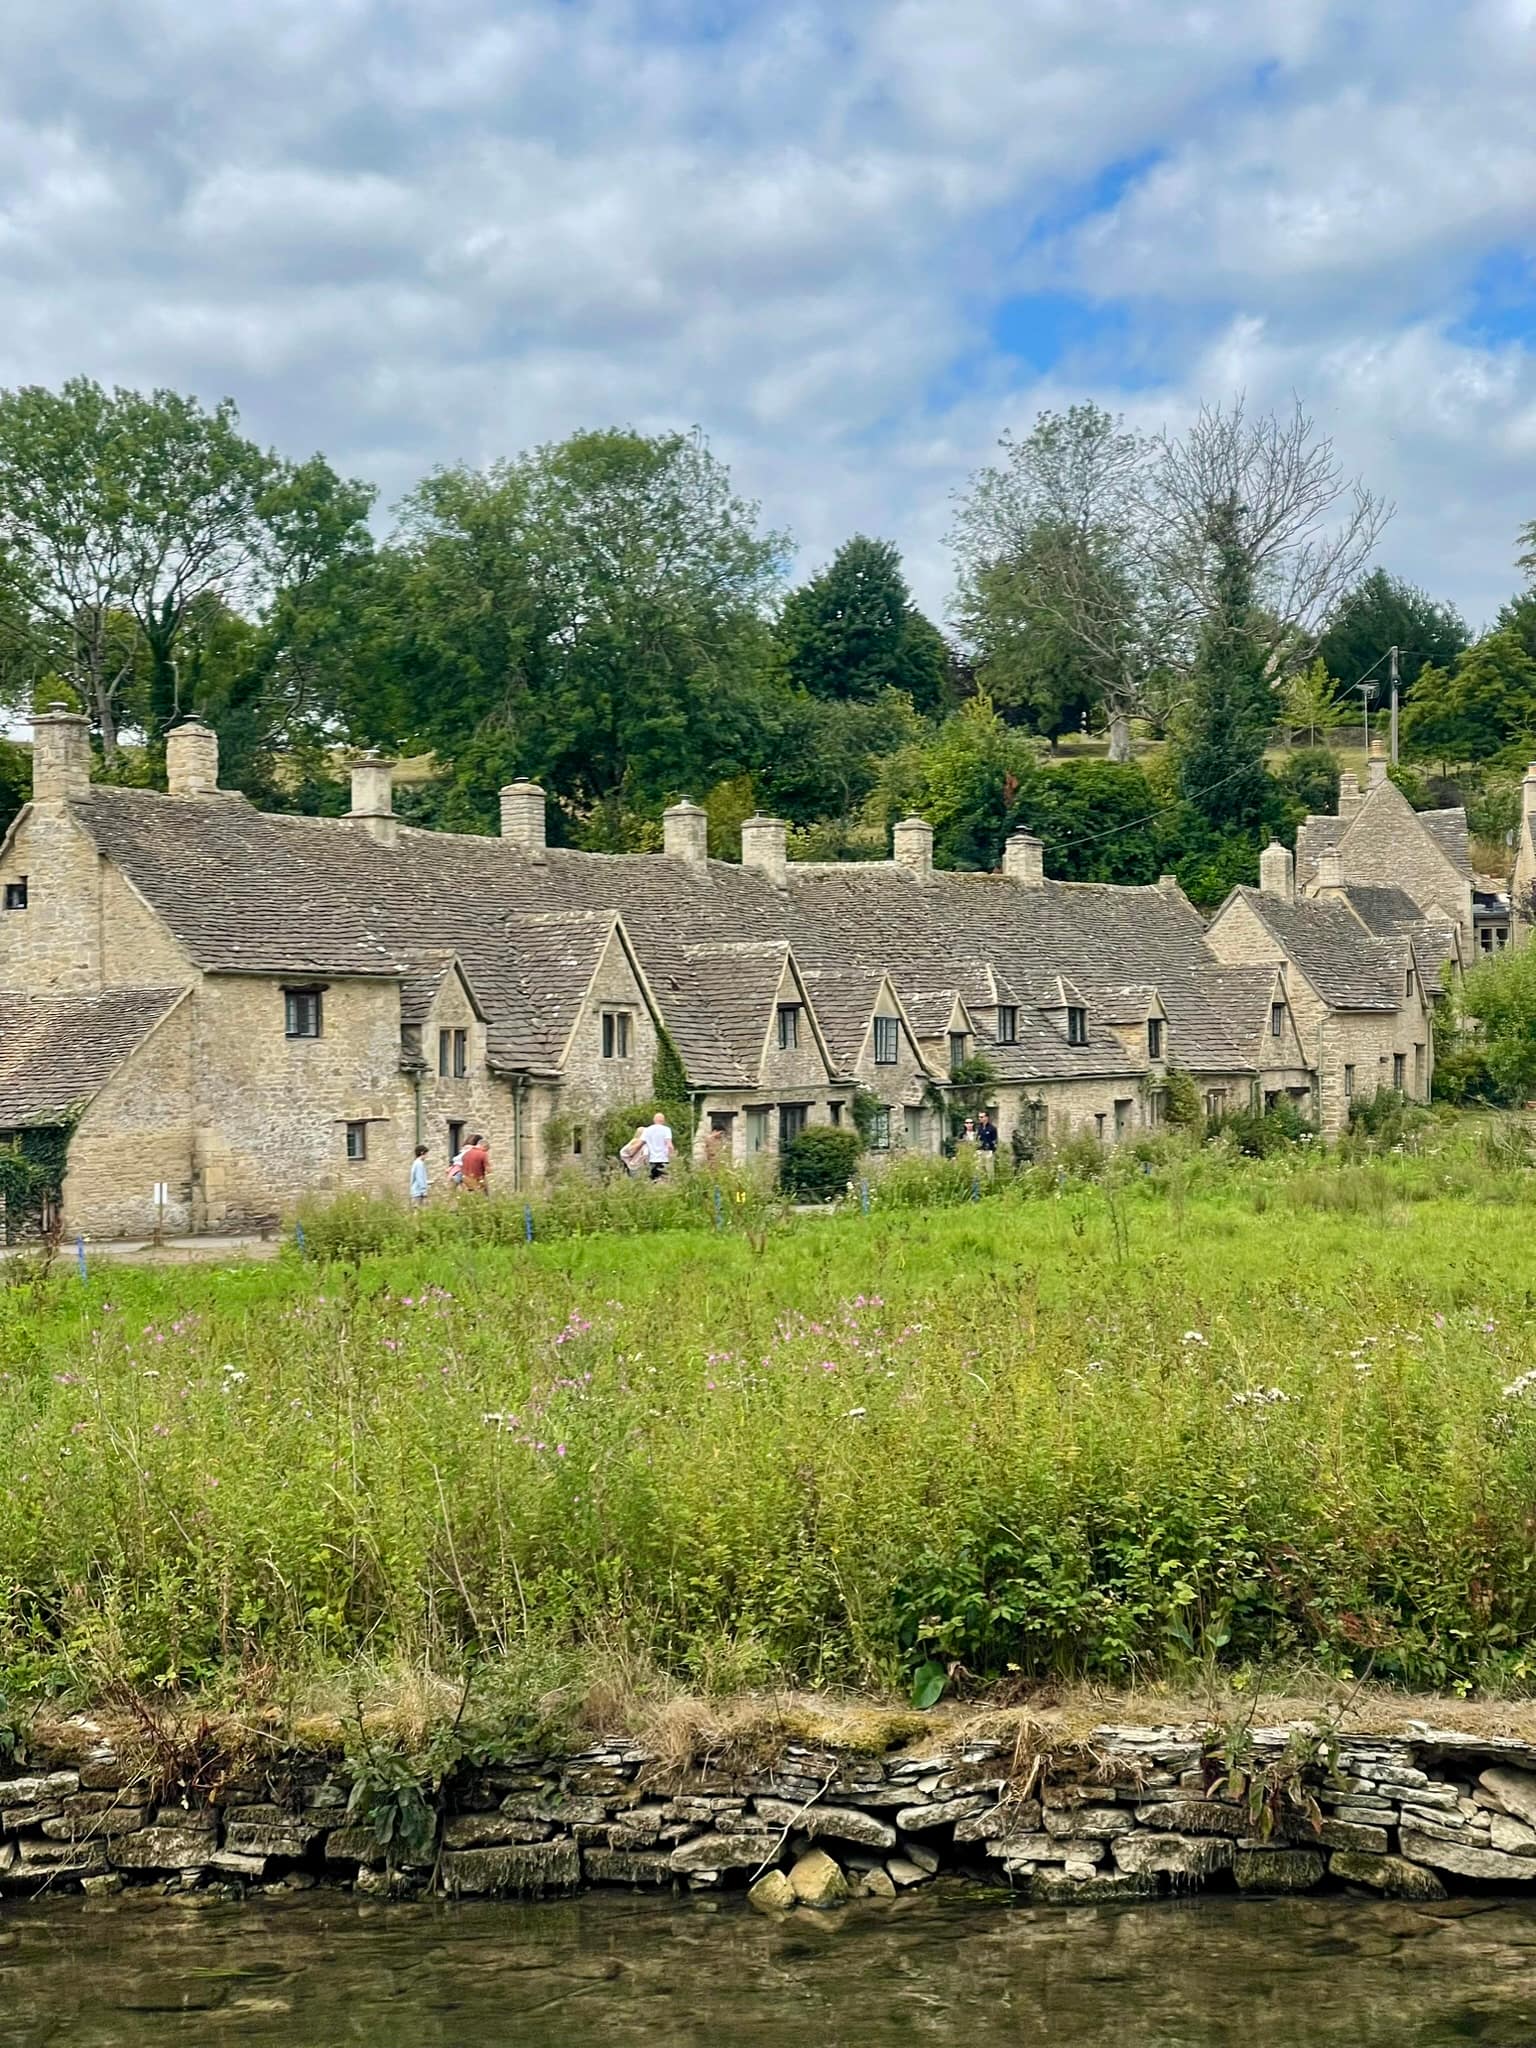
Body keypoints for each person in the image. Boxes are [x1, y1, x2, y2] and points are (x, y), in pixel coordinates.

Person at [640, 1111, 674, 1181]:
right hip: (664, 1159)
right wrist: (673, 1157)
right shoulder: (666, 1129)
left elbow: (640, 1143)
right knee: (664, 1180)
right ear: (663, 1121)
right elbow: (669, 1145)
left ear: (654, 1120)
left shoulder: (647, 1130)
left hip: (651, 1159)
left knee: (653, 1181)